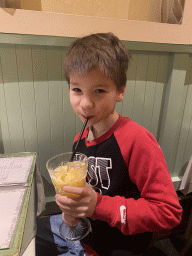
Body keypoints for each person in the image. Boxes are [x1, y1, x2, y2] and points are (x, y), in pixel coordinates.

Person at [36, 32, 182, 256]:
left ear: (120, 91)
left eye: (99, 91)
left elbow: (169, 213)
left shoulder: (136, 140)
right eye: (77, 89)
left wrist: (99, 205)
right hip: (85, 232)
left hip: (117, 245)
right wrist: (71, 209)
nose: (85, 104)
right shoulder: (80, 139)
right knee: (28, 236)